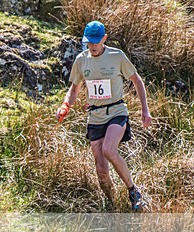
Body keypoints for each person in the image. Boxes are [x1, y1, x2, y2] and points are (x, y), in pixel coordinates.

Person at [56, 20, 152, 212]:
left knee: (108, 149)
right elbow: (74, 89)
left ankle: (133, 192)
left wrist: (145, 110)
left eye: (96, 42)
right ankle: (112, 206)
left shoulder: (117, 56)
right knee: (101, 171)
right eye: (89, 42)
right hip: (95, 117)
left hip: (116, 111)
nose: (92, 46)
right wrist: (65, 105)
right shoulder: (81, 60)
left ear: (104, 39)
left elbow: (137, 80)